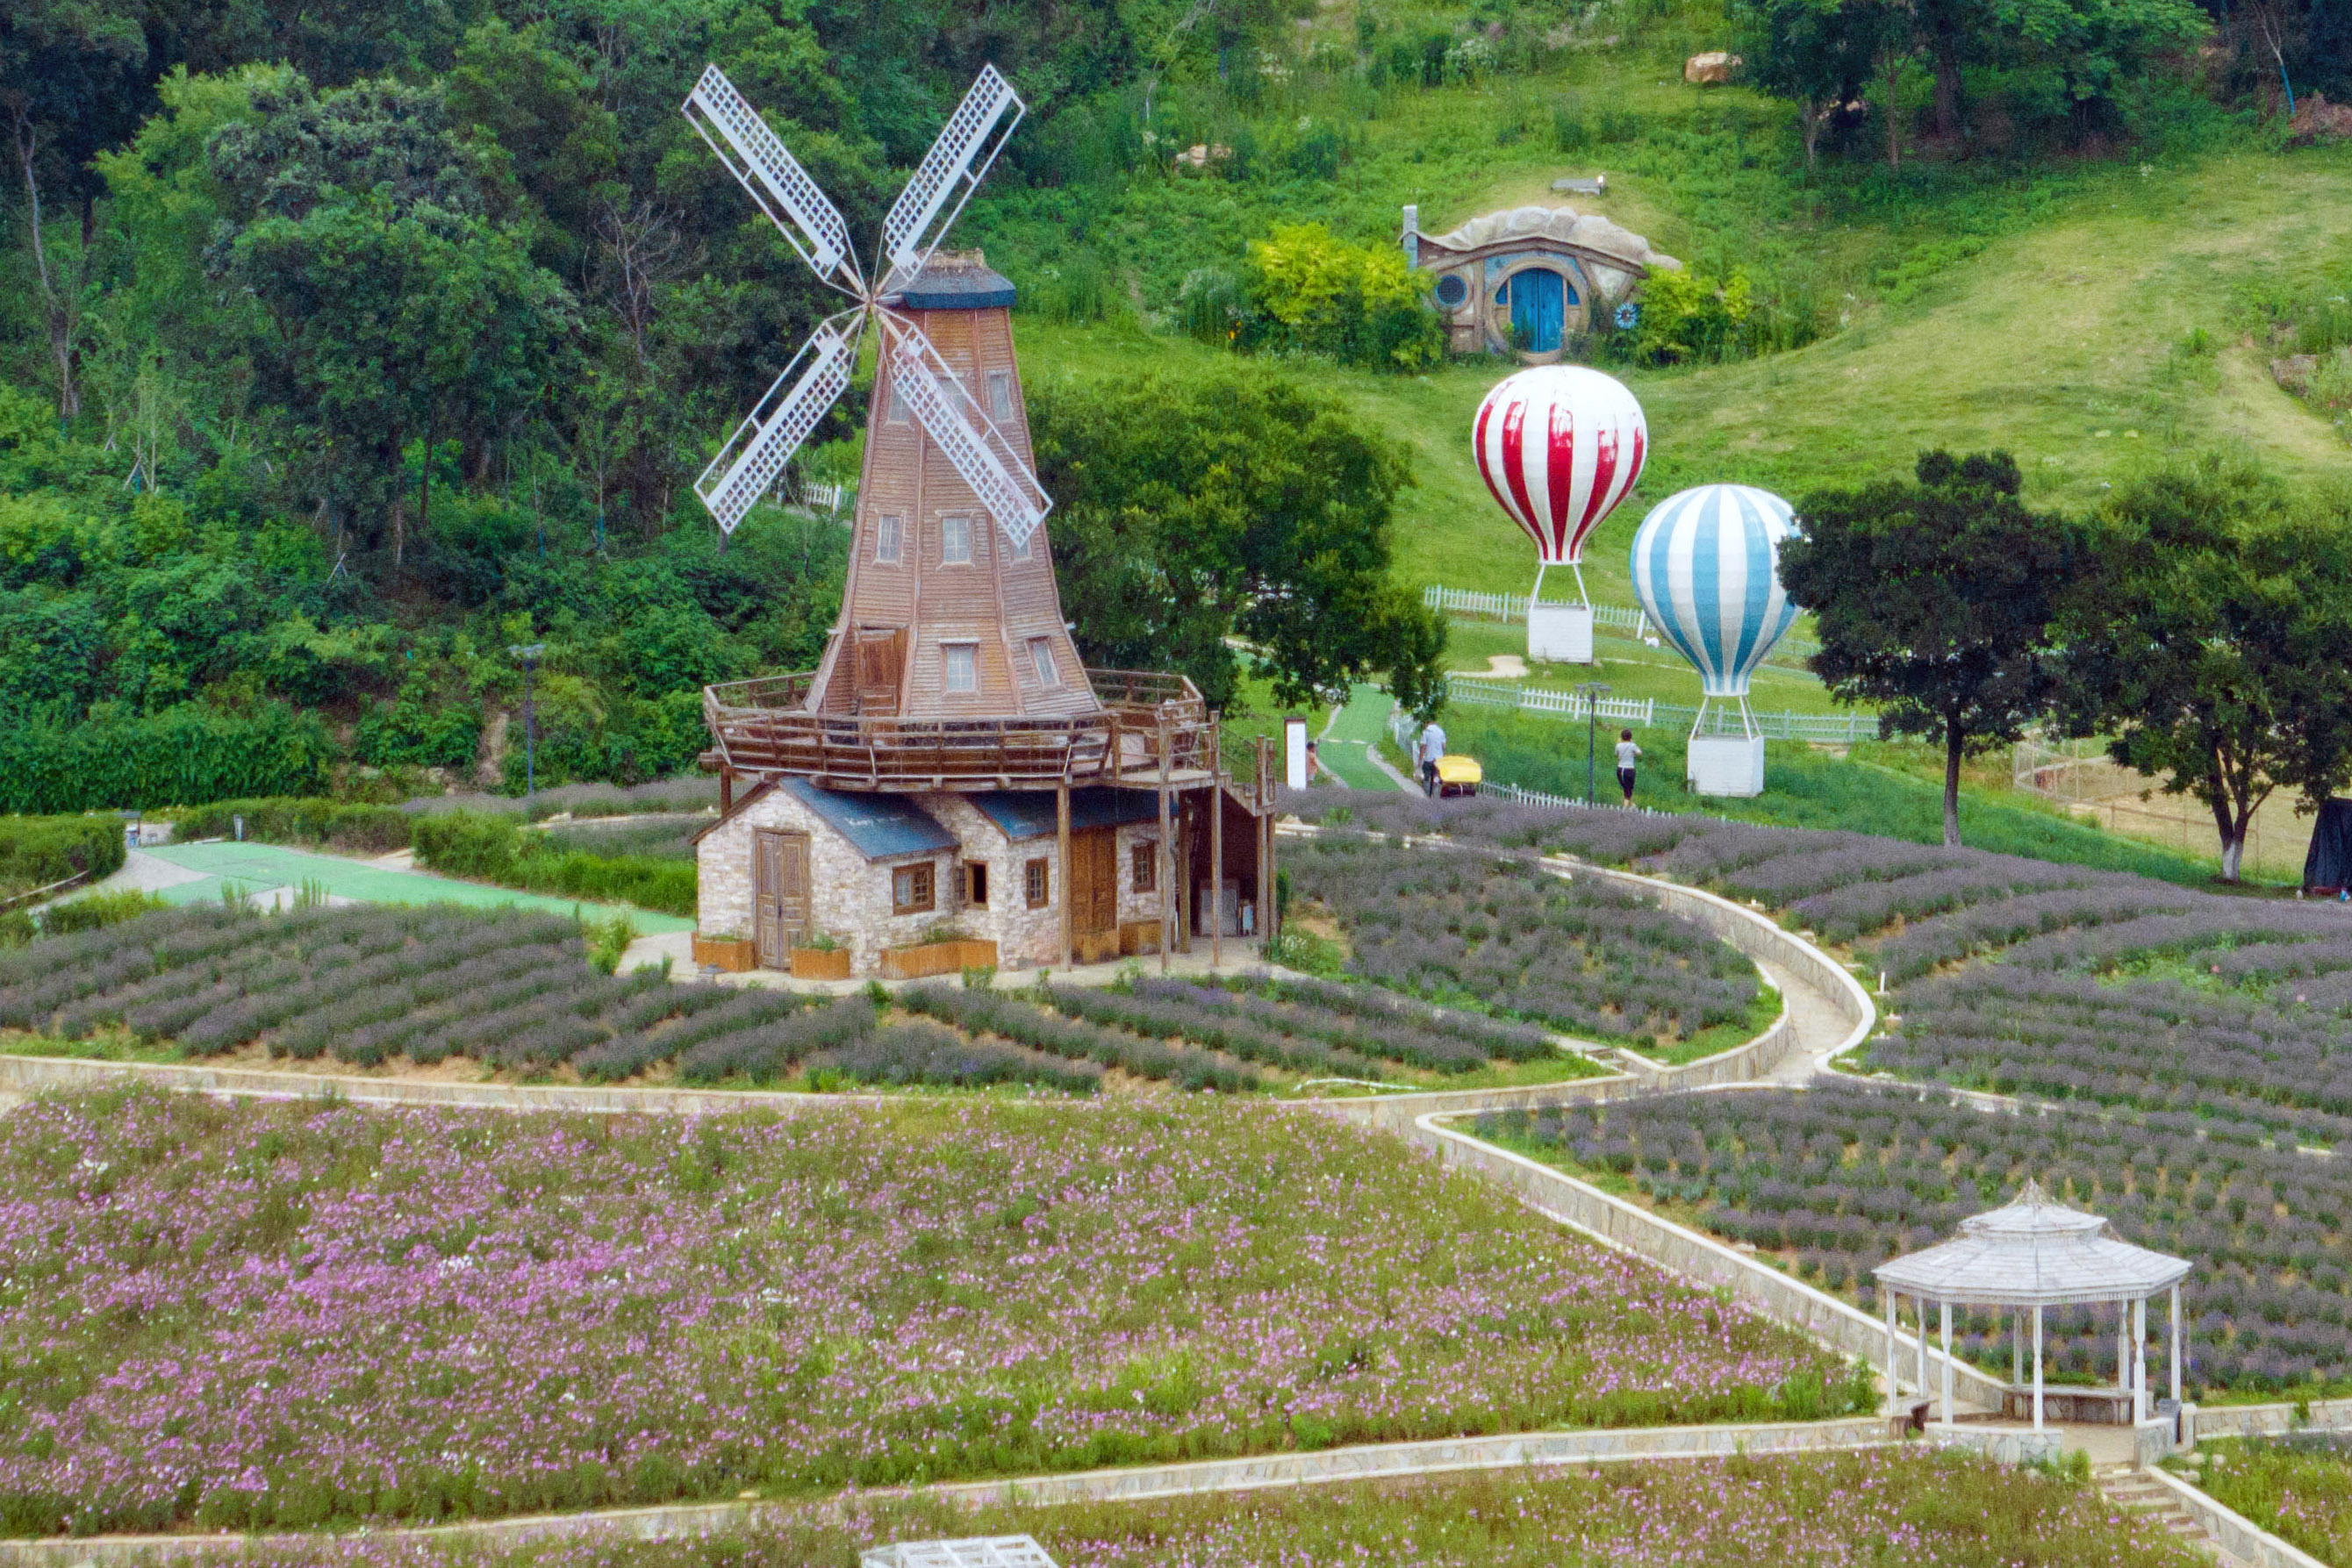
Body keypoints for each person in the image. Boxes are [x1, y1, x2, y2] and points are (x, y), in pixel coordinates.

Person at [1417, 718, 1448, 797]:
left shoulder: (1426, 732)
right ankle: (1435, 793)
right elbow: (1444, 746)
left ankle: (1427, 795)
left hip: (1429, 758)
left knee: (1426, 776)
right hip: (1439, 760)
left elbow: (1423, 746)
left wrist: (1420, 760)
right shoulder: (1441, 732)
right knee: (1437, 777)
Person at [1614, 728, 1642, 805]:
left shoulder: (1618, 745)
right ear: (1630, 737)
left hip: (1620, 769)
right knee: (1629, 790)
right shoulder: (1632, 746)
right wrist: (1633, 744)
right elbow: (1639, 753)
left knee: (1626, 789)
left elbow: (1616, 754)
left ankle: (1630, 805)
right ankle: (1625, 809)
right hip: (1629, 769)